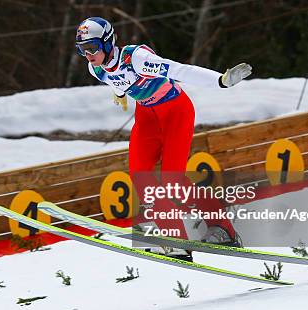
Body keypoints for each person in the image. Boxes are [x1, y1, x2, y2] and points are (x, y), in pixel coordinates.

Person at [76, 17, 247, 256]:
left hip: (175, 110)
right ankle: (176, 240)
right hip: (147, 115)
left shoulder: (136, 59)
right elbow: (114, 79)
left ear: (107, 43)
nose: (88, 54)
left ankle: (223, 229)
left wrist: (220, 81)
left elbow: (179, 70)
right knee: (141, 177)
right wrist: (120, 93)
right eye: (82, 49)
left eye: (92, 47)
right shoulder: (94, 68)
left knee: (172, 182)